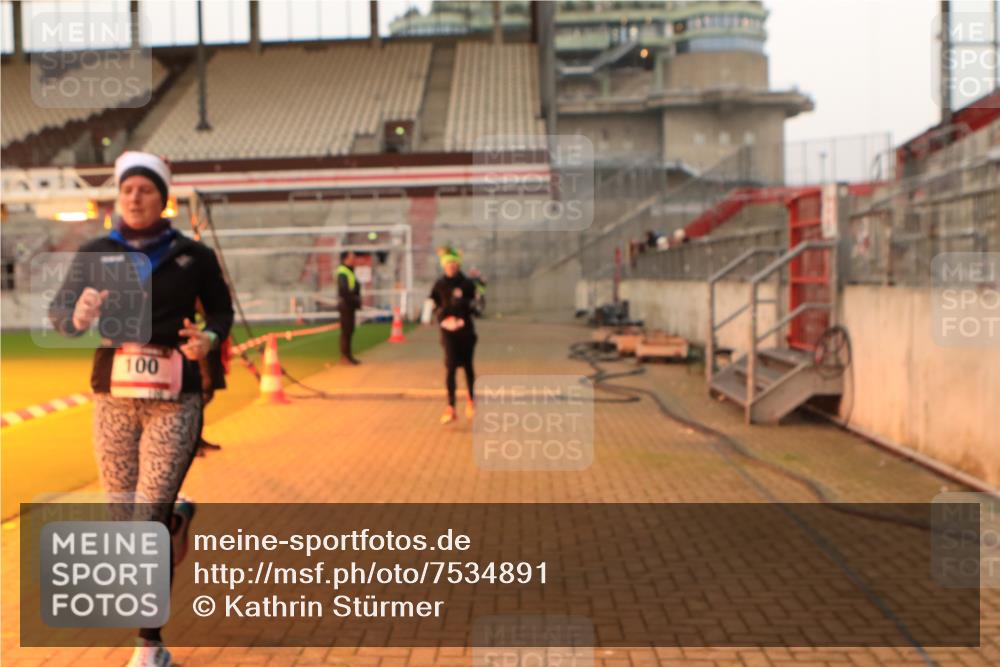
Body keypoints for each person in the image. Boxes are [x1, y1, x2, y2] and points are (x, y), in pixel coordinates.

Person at [49, 151, 234, 667]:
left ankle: (150, 645)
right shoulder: (96, 252)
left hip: (175, 399)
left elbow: (222, 311)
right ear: (118, 196)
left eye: (145, 189)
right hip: (114, 396)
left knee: (145, 517)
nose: (134, 197)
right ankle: (176, 517)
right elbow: (62, 314)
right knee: (122, 517)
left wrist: (209, 338)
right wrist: (76, 316)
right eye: (127, 189)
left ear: (162, 198)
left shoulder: (193, 255)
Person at [430, 246, 479, 424]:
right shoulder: (440, 284)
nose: (451, 266)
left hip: (465, 331)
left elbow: (476, 304)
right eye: (448, 263)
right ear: (444, 265)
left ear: (458, 265)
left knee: (467, 366)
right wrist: (438, 313)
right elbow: (433, 301)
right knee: (450, 366)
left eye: (454, 263)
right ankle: (450, 407)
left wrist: (464, 303)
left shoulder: (466, 283)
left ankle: (471, 400)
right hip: (448, 331)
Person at [336, 250, 361, 365]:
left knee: (350, 330)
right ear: (346, 259)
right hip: (346, 304)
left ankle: (348, 356)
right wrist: (354, 299)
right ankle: (345, 357)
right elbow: (344, 290)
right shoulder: (343, 272)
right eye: (352, 258)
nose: (354, 260)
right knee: (346, 331)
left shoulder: (349, 271)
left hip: (350, 304)